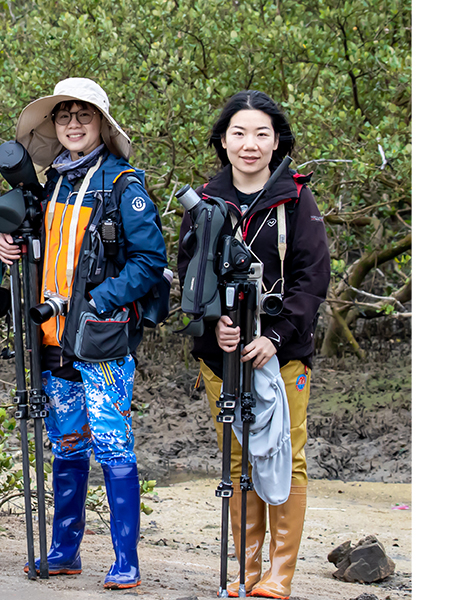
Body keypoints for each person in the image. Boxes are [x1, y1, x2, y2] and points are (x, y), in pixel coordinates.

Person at [0, 78, 168, 589]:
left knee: (114, 444)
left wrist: (98, 301)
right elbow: (39, 247)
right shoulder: (52, 184)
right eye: (64, 115)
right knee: (67, 443)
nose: (73, 123)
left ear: (102, 125)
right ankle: (64, 552)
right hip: (50, 338)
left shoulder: (122, 185)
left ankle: (125, 560)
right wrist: (9, 245)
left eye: (84, 115)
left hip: (100, 338)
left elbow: (150, 262)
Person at [177, 90, 330, 599]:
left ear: (277, 141)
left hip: (282, 354)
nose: (250, 144)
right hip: (220, 358)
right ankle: (244, 572)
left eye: (262, 133)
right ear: (223, 140)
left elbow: (312, 280)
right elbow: (190, 276)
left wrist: (274, 336)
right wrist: (213, 323)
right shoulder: (204, 202)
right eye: (239, 133)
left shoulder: (296, 198)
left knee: (288, 454)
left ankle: (279, 576)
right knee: (237, 458)